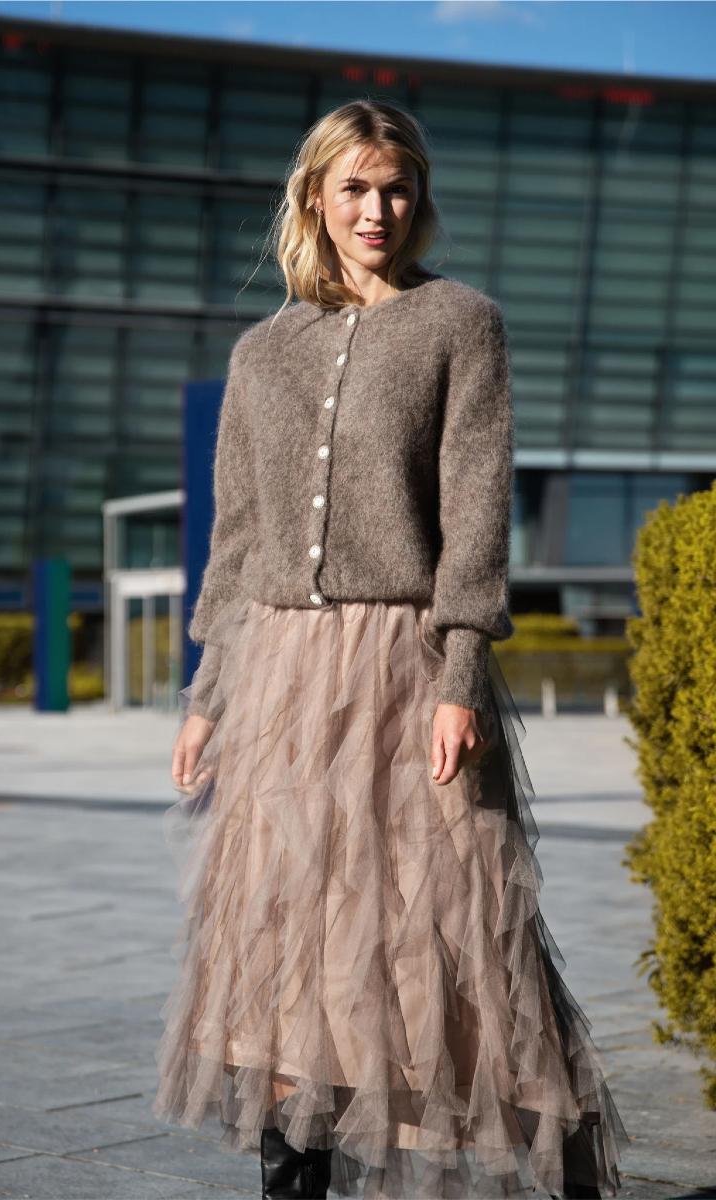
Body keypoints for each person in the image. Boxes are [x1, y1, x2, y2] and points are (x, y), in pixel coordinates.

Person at [152, 99, 630, 1199]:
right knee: (285, 931)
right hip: (279, 675)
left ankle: (536, 1156)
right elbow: (237, 540)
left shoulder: (459, 324)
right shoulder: (262, 353)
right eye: (355, 188)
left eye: (396, 187)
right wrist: (208, 695)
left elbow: (474, 518)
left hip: (405, 669)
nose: (377, 209)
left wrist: (459, 677)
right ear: (315, 198)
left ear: (419, 200)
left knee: (444, 920)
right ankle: (292, 1178)